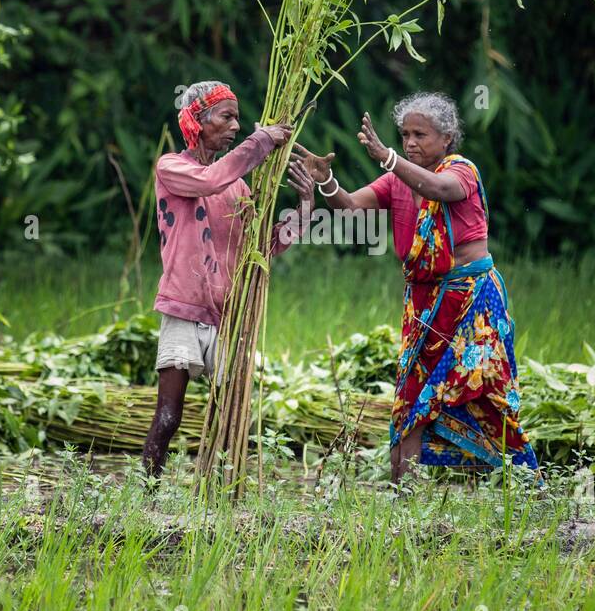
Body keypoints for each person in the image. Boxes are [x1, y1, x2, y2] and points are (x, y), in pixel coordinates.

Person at [294, 91, 537, 482]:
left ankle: (521, 484)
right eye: (405, 135)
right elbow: (352, 207)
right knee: (411, 396)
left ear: (446, 138)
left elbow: (441, 190)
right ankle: (400, 494)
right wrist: (326, 181)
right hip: (424, 307)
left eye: (420, 135)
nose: (410, 143)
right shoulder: (397, 179)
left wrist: (389, 157)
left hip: (471, 301)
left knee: (483, 390)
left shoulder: (461, 171)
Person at [141, 80, 315, 480]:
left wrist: (304, 209)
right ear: (198, 122)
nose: (236, 125)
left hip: (229, 315)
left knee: (228, 417)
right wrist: (260, 142)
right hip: (184, 308)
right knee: (168, 416)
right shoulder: (173, 168)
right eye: (227, 116)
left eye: (238, 118)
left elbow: (264, 247)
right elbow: (209, 181)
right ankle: (145, 495)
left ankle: (216, 494)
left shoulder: (238, 186)